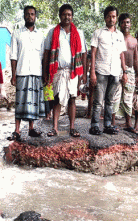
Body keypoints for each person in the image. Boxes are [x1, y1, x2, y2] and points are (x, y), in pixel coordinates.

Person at [43, 4, 87, 137]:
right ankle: (55, 128)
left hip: (73, 71)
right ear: (60, 16)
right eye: (64, 14)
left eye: (69, 15)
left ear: (72, 17)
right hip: (57, 71)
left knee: (72, 99)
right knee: (56, 98)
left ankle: (72, 128)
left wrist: (84, 73)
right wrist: (45, 72)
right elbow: (46, 53)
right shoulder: (53, 32)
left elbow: (84, 53)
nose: (67, 17)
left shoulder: (79, 33)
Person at [8, 6, 45, 141]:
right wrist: (13, 75)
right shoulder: (17, 33)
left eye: (32, 14)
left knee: (33, 102)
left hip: (36, 72)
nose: (30, 16)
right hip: (22, 72)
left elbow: (43, 56)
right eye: (27, 14)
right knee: (20, 102)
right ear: (24, 16)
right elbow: (13, 56)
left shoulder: (41, 35)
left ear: (35, 16)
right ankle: (17, 130)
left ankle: (31, 129)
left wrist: (45, 75)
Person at [89, 6, 128, 135]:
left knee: (110, 101)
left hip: (115, 72)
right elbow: (93, 53)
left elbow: (122, 54)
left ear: (116, 18)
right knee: (98, 101)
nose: (111, 19)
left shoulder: (120, 35)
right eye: (109, 16)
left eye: (114, 16)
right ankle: (94, 125)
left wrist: (125, 72)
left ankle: (107, 125)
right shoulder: (98, 33)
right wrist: (92, 72)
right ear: (105, 18)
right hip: (101, 71)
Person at [112, 13, 138, 133]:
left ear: (130, 24)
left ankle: (128, 123)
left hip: (130, 71)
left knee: (128, 98)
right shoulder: (116, 37)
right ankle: (112, 123)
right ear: (120, 24)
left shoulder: (134, 41)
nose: (126, 24)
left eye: (127, 22)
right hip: (117, 69)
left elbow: (136, 59)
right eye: (123, 22)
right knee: (115, 96)